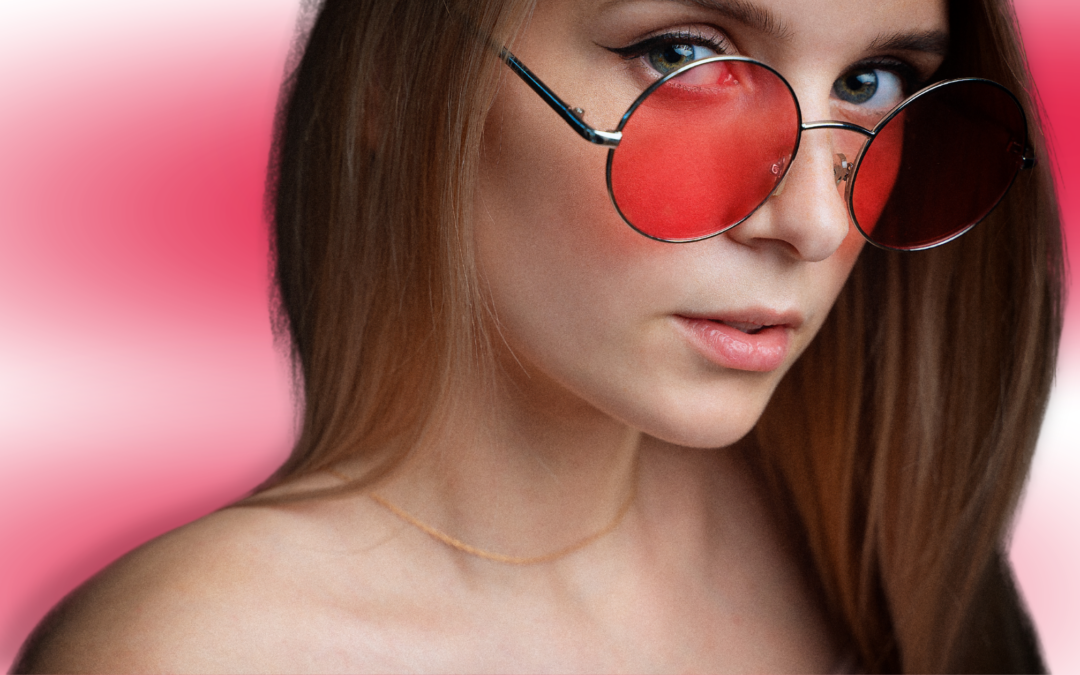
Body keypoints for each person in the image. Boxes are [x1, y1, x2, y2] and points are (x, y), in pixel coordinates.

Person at [14, 0, 1063, 671]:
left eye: (874, 83)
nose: (816, 222)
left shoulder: (875, 540)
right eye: (684, 57)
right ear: (399, 76)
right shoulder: (195, 654)